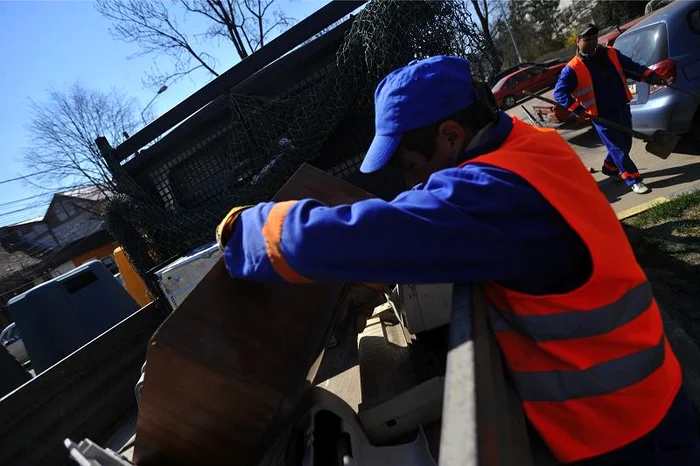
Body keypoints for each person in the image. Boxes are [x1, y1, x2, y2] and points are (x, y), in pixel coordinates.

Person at [216, 56, 699, 465]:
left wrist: (253, 232)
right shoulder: (532, 148)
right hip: (655, 392)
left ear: (450, 136)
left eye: (410, 167)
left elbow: (359, 237)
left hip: (619, 434)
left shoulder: (493, 193)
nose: (412, 185)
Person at [554, 24, 667, 195]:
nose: (592, 42)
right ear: (578, 41)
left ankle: (610, 168)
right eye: (587, 39)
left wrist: (651, 76)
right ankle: (633, 179)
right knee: (617, 147)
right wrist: (577, 109)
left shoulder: (611, 53)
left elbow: (632, 67)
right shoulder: (572, 68)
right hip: (600, 115)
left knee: (625, 143)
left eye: (594, 38)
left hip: (621, 106)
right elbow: (559, 93)